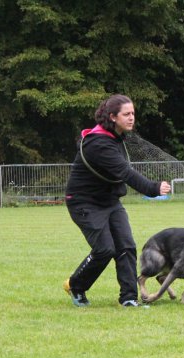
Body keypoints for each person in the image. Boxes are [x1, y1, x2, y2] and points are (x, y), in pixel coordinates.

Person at [63, 94, 171, 308]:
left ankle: (129, 298)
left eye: (133, 114)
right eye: (126, 114)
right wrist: (153, 188)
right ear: (112, 117)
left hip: (109, 201)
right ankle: (76, 285)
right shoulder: (99, 143)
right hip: (84, 202)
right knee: (105, 249)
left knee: (126, 246)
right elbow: (125, 172)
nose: (132, 118)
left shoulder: (116, 137)